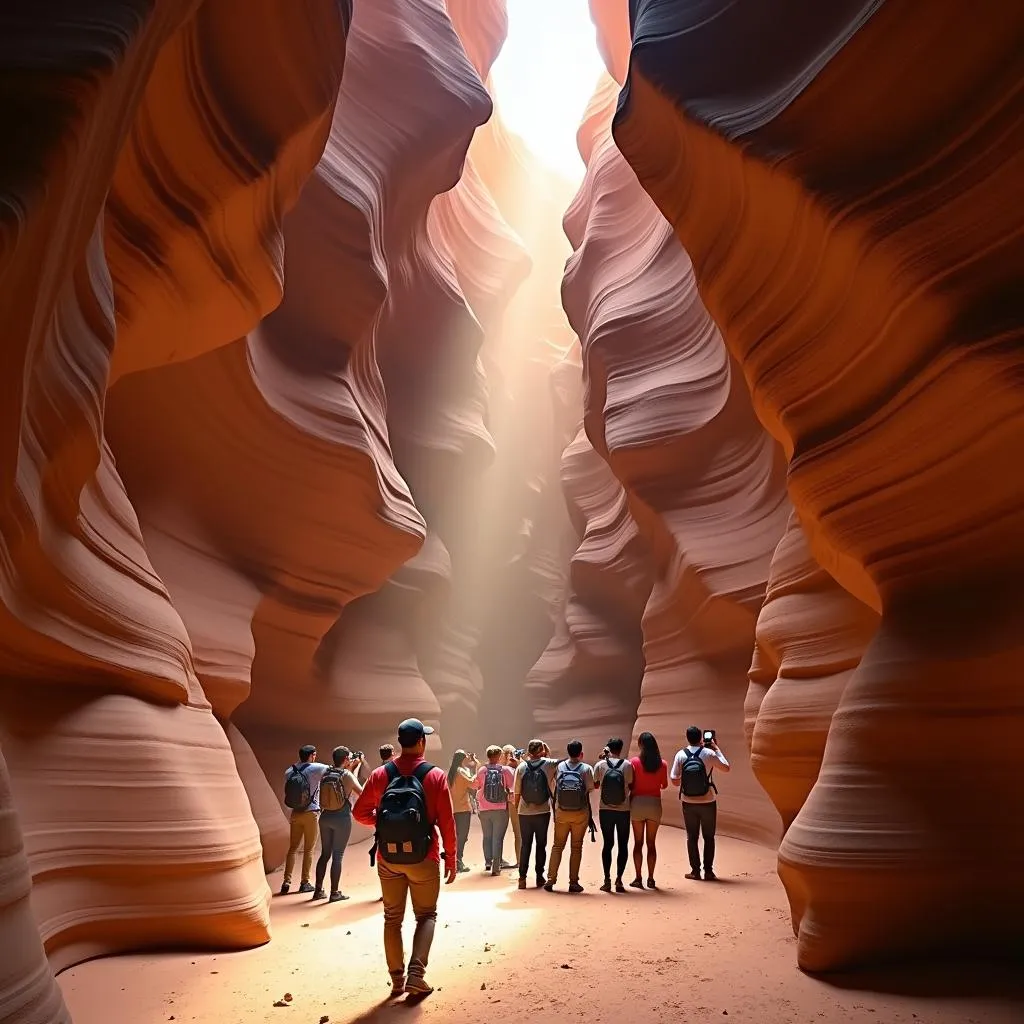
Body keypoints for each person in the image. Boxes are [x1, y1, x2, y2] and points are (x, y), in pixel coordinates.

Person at [353, 719, 457, 998]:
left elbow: (359, 813)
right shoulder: (435, 776)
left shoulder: (379, 774)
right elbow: (447, 821)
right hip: (424, 856)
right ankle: (416, 974)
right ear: (421, 742)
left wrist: (384, 824)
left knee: (392, 918)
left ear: (400, 742)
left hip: (388, 858)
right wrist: (451, 858)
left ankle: (397, 980)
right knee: (426, 915)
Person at [670, 725, 731, 881]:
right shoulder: (709, 753)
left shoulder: (681, 755)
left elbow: (675, 781)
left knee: (692, 837)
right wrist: (716, 748)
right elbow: (726, 768)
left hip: (688, 802)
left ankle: (695, 871)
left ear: (687, 738)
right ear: (701, 738)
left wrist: (687, 780)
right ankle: (709, 871)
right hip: (708, 800)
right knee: (709, 837)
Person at [312, 746, 363, 902]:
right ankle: (335, 893)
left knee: (325, 854)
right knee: (338, 855)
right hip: (341, 818)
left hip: (325, 817)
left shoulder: (326, 773)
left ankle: (318, 890)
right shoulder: (347, 774)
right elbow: (360, 791)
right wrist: (356, 767)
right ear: (346, 759)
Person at [544, 739, 595, 893]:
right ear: (581, 753)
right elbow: (590, 788)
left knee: (557, 846)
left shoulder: (560, 766)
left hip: (561, 812)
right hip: (580, 813)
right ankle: (573, 882)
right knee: (576, 847)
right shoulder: (586, 768)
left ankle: (551, 879)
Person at [280, 744, 332, 895]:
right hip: (311, 813)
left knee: (293, 849)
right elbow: (333, 771)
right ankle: (305, 882)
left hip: (295, 813)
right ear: (312, 755)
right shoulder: (316, 768)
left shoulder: (289, 771)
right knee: (309, 850)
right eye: (314, 755)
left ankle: (286, 881)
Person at [513, 738, 557, 889]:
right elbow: (559, 763)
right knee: (541, 845)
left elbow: (517, 793)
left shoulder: (521, 767)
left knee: (526, 845)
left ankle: (522, 878)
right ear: (541, 751)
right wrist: (547, 752)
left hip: (524, 812)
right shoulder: (548, 764)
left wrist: (516, 807)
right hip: (543, 811)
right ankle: (539, 877)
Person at [593, 737, 634, 893]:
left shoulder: (600, 765)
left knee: (608, 845)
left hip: (606, 810)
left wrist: (603, 759)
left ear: (608, 749)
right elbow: (630, 784)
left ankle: (607, 880)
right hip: (623, 810)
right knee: (623, 845)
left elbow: (596, 785)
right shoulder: (627, 765)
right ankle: (619, 880)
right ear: (621, 749)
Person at [628, 731, 668, 889]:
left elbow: (630, 784)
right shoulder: (662, 764)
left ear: (641, 745)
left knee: (638, 843)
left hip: (637, 803)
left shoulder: (634, 762)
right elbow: (664, 785)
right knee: (651, 843)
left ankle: (638, 878)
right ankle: (651, 878)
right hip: (654, 804)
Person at [471, 745, 516, 875]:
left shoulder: (482, 770)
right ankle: (496, 868)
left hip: (484, 809)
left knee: (487, 836)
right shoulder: (505, 770)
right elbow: (511, 786)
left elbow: (475, 785)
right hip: (500, 808)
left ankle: (487, 862)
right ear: (499, 756)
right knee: (497, 838)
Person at [447, 749, 475, 873]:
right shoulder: (461, 771)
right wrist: (477, 767)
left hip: (453, 808)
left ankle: (454, 860)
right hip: (463, 808)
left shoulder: (451, 772)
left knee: (456, 836)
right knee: (462, 837)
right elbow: (472, 783)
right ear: (462, 759)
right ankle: (458, 861)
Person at [502, 744, 522, 865]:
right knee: (520, 833)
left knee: (517, 833)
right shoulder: (522, 765)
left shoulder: (504, 769)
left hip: (512, 802)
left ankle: (519, 861)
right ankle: (520, 860)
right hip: (523, 802)